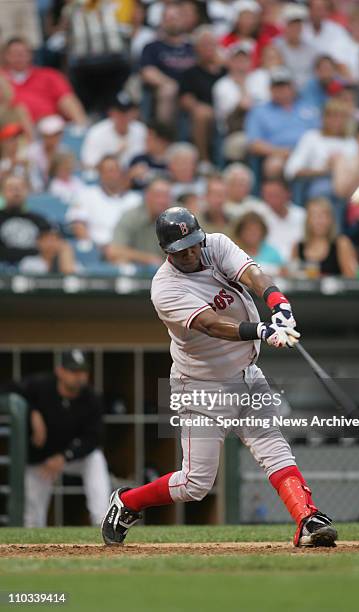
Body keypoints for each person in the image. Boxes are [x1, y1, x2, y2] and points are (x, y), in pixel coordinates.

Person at [101, 206, 338, 549]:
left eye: (194, 244)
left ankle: (307, 518)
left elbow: (253, 274)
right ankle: (128, 503)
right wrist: (260, 328)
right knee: (196, 484)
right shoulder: (165, 288)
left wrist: (279, 304)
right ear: (167, 251)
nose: (192, 253)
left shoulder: (216, 244)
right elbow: (210, 324)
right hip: (202, 385)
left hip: (246, 374)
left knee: (272, 445)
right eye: (181, 250)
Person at [19, 349, 111, 527]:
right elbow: (11, 390)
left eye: (82, 371)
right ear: (60, 371)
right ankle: (32, 534)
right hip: (41, 459)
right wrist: (32, 412)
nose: (79, 376)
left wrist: (65, 456)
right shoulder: (41, 385)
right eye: (73, 371)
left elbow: (94, 437)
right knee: (31, 519)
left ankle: (102, 521)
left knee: (96, 459)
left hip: (71, 456)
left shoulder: (91, 398)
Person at [245, 66, 320, 173]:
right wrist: (281, 152)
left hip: (310, 152)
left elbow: (321, 133)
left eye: (284, 86)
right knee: (273, 166)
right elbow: (254, 144)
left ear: (292, 87)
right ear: (270, 89)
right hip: (279, 154)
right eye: (277, 86)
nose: (281, 90)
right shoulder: (259, 111)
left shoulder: (308, 107)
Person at [1, 38, 87, 126]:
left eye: (23, 53)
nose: (19, 57)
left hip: (50, 125)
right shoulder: (2, 78)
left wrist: (81, 126)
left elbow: (67, 99)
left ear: (31, 55)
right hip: (14, 130)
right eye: (15, 53)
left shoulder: (48, 75)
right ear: (6, 56)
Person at [285, 99, 358, 199]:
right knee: (324, 188)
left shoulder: (351, 142)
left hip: (348, 184)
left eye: (341, 117)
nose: (336, 121)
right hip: (316, 181)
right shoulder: (311, 137)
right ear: (323, 118)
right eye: (332, 116)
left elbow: (355, 169)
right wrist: (325, 170)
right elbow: (291, 170)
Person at [66, 155, 141, 248]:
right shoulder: (86, 194)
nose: (113, 175)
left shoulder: (135, 199)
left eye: (115, 170)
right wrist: (93, 249)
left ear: (122, 173)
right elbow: (78, 225)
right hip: (96, 248)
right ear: (100, 174)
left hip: (127, 250)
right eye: (108, 171)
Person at [140, 3, 196, 124]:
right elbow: (147, 72)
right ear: (162, 22)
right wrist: (169, 83)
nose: (172, 22)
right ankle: (164, 135)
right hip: (165, 90)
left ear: (183, 20)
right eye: (168, 18)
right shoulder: (152, 47)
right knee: (168, 90)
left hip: (192, 91)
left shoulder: (193, 46)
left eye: (176, 18)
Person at [179, 26, 225, 165]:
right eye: (204, 44)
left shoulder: (225, 70)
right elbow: (185, 99)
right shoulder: (190, 73)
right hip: (206, 114)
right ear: (196, 48)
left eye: (211, 44)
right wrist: (200, 107)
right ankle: (204, 161)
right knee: (201, 114)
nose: (208, 48)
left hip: (228, 111)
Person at [106, 177, 170, 266]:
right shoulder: (132, 217)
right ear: (147, 196)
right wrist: (147, 258)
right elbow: (113, 251)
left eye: (166, 196)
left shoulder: (178, 216)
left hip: (171, 275)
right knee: (120, 262)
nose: (162, 201)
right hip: (138, 274)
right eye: (158, 196)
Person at [291, 197, 358, 277]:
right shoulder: (298, 247)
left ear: (331, 219)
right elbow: (292, 277)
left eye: (323, 216)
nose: (319, 221)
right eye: (314, 216)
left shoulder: (341, 244)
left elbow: (352, 277)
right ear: (307, 220)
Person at [81, 92, 147, 170]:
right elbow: (88, 165)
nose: (124, 116)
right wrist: (115, 155)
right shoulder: (97, 132)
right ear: (111, 112)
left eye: (127, 112)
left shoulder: (142, 130)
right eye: (120, 112)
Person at [0, 175, 51, 265]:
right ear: (3, 192)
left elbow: (49, 248)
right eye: (11, 188)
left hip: (35, 269)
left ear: (27, 192)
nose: (16, 192)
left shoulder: (40, 220)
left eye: (20, 188)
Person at [261, 176, 306, 264]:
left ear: (288, 194)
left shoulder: (302, 216)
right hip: (267, 268)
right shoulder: (258, 217)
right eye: (268, 195)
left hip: (297, 267)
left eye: (276, 194)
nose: (272, 199)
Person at [275, 3, 316, 91]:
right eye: (291, 24)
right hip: (283, 91)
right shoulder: (276, 46)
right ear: (285, 25)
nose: (295, 28)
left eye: (298, 24)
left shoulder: (311, 49)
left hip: (307, 92)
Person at [128, 122, 172, 191]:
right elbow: (122, 188)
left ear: (162, 141)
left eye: (150, 138)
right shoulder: (138, 160)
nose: (146, 140)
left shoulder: (172, 162)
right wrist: (130, 175)